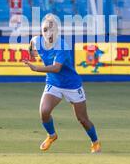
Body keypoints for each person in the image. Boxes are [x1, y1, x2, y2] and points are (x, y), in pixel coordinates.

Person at [22, 13, 101, 153]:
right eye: (45, 29)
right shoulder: (37, 40)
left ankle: (95, 142)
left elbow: (56, 68)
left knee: (82, 119)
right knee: (44, 112)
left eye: (51, 29)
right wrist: (31, 53)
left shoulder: (62, 45)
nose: (48, 32)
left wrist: (36, 68)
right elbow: (32, 44)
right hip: (54, 83)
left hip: (72, 85)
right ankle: (52, 135)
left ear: (56, 31)